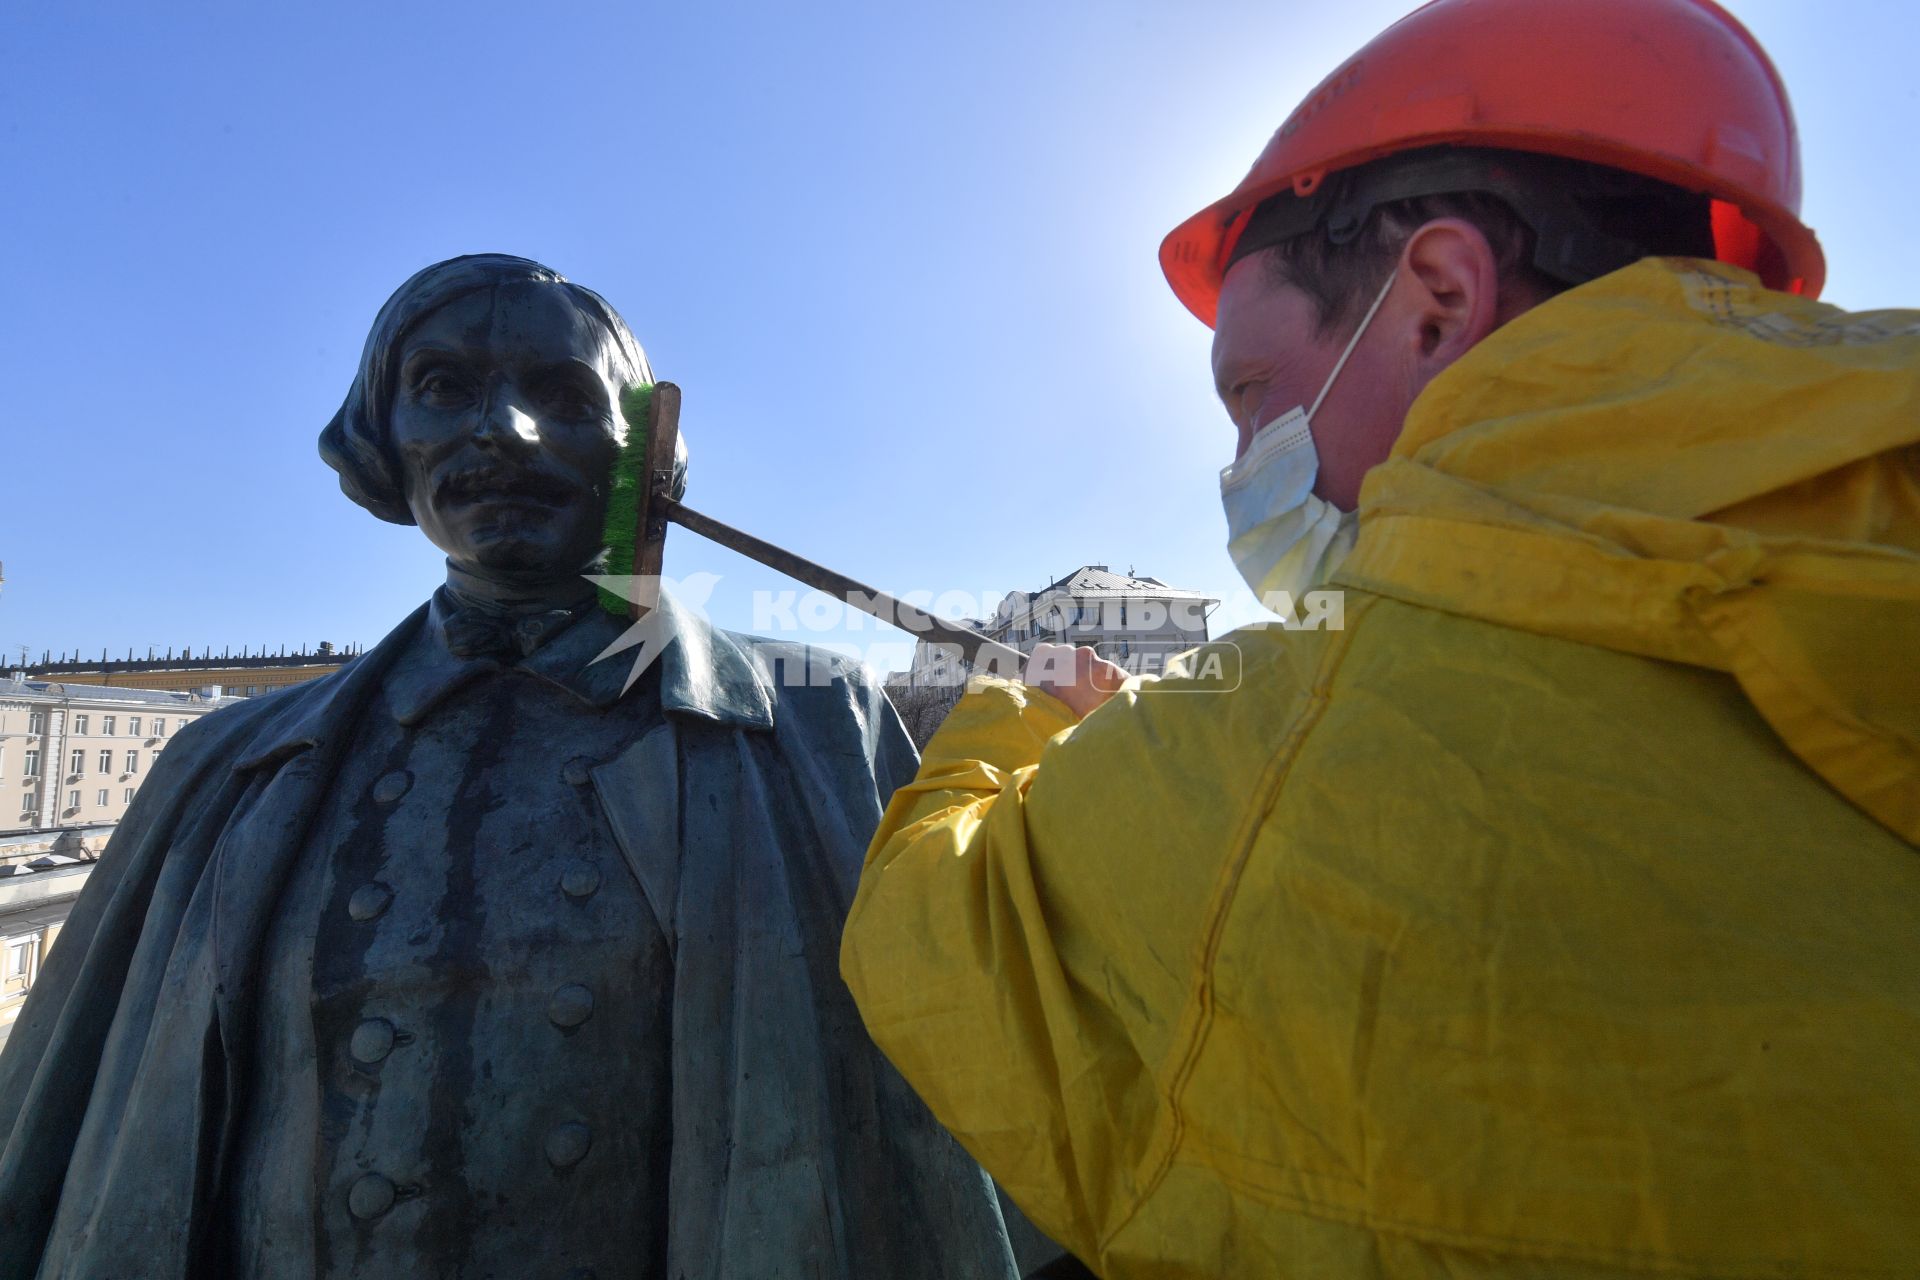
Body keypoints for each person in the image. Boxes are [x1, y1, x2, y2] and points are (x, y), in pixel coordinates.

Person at [840, 1, 1920, 1276]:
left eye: (1250, 392)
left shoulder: (1287, 748)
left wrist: (1019, 707)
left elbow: (931, 934)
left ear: (1438, 300)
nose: (1243, 463)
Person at [0, 255, 1020, 1280]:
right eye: (443, 388)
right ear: (382, 438)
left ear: (641, 455)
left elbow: (995, 1088)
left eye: (563, 397)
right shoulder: (221, 773)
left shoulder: (817, 724)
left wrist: (1092, 739)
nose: (503, 430)